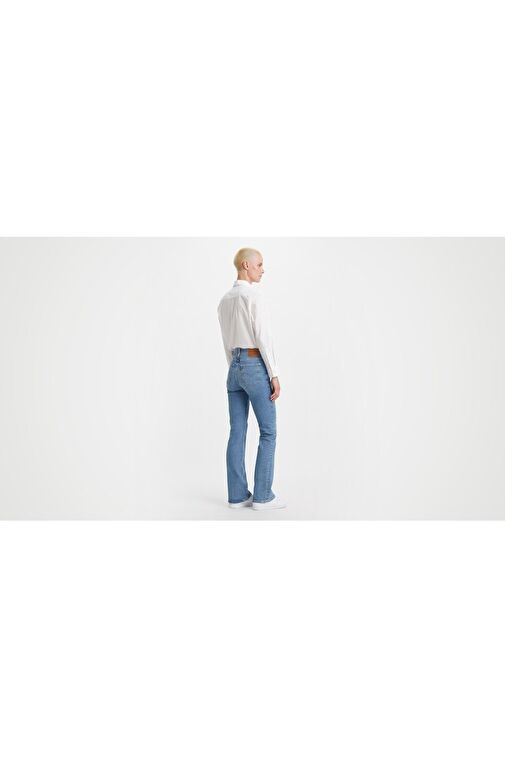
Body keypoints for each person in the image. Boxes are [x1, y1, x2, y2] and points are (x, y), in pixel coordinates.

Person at [217, 248, 286, 511]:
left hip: (234, 367)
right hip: (255, 364)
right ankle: (263, 496)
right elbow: (263, 338)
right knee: (268, 431)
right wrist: (273, 373)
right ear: (246, 265)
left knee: (237, 431)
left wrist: (235, 369)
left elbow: (226, 341)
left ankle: (237, 496)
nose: (263, 269)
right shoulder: (253, 296)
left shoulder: (224, 300)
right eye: (259, 264)